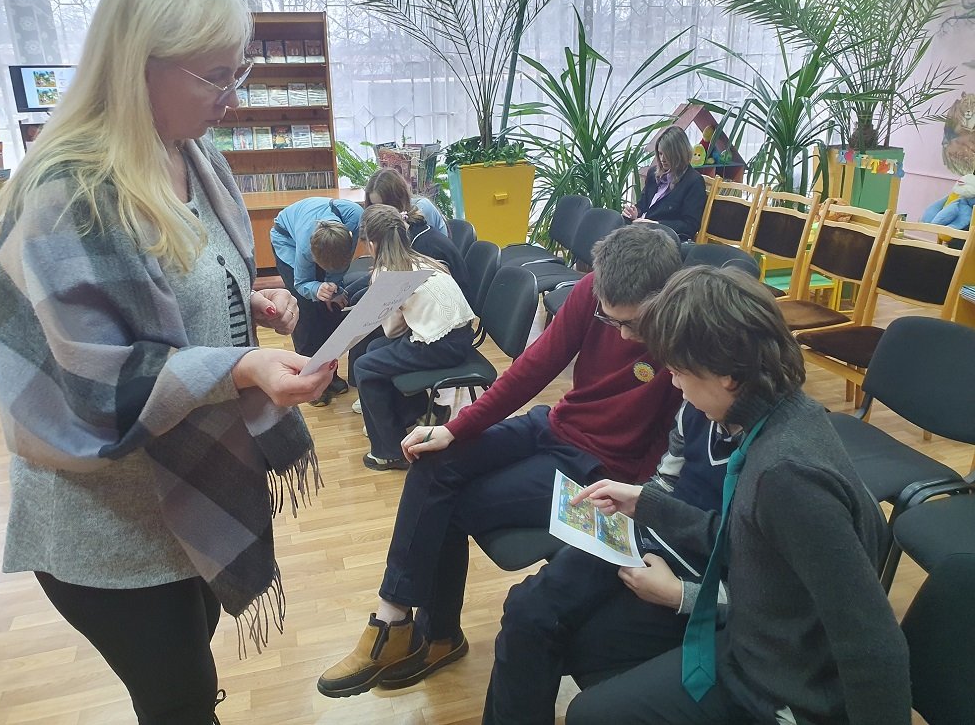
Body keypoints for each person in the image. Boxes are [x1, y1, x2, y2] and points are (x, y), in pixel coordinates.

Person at [0, 0, 336, 722]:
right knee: (177, 701)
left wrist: (241, 302)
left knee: (187, 678)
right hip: (109, 524)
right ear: (137, 64)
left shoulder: (190, 153)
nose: (233, 96)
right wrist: (241, 364)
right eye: (216, 75)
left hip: (186, 491)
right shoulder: (68, 193)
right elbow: (100, 384)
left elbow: (181, 285)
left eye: (240, 71)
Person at [317, 224, 684, 698]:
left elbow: (671, 437)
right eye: (609, 319)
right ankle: (395, 618)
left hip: (596, 467)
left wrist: (634, 500)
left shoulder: (685, 330)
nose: (620, 332)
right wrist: (455, 427)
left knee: (446, 503)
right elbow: (535, 366)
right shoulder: (596, 290)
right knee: (434, 458)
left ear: (664, 300)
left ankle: (436, 636)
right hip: (553, 424)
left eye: (629, 324)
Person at [567, 267, 911, 725]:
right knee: (589, 660)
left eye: (680, 371)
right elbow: (749, 538)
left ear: (728, 375)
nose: (675, 384)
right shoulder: (778, 416)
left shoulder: (787, 475)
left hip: (781, 688)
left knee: (591, 712)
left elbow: (871, 640)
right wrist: (647, 503)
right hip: (747, 645)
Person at [483, 400, 732, 725]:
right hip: (647, 542)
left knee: (561, 640)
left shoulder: (773, 463)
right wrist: (634, 498)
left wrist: (679, 594)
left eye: (683, 374)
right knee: (525, 610)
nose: (672, 383)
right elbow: (667, 482)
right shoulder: (695, 408)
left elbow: (771, 601)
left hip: (692, 581)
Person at [353, 205, 475, 471]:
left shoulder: (386, 274)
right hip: (461, 337)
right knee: (375, 349)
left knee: (364, 366)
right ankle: (424, 412)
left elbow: (392, 331)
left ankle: (388, 452)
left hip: (440, 346)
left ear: (372, 244)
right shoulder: (423, 258)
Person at [270, 196, 363, 404]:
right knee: (307, 314)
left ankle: (329, 376)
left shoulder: (355, 219)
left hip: (328, 244)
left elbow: (341, 265)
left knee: (331, 311)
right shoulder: (305, 247)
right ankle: (309, 381)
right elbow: (302, 283)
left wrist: (334, 289)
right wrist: (317, 288)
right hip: (288, 240)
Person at [622, 125, 707, 240]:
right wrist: (635, 212)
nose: (662, 159)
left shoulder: (694, 181)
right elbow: (643, 204)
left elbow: (690, 225)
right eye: (660, 153)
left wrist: (657, 225)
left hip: (665, 238)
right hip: (643, 231)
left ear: (680, 154)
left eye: (667, 155)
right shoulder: (653, 173)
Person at [365, 166, 448, 236]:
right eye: (374, 206)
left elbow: (422, 246)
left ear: (397, 198)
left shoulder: (421, 209)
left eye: (384, 205)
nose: (379, 211)